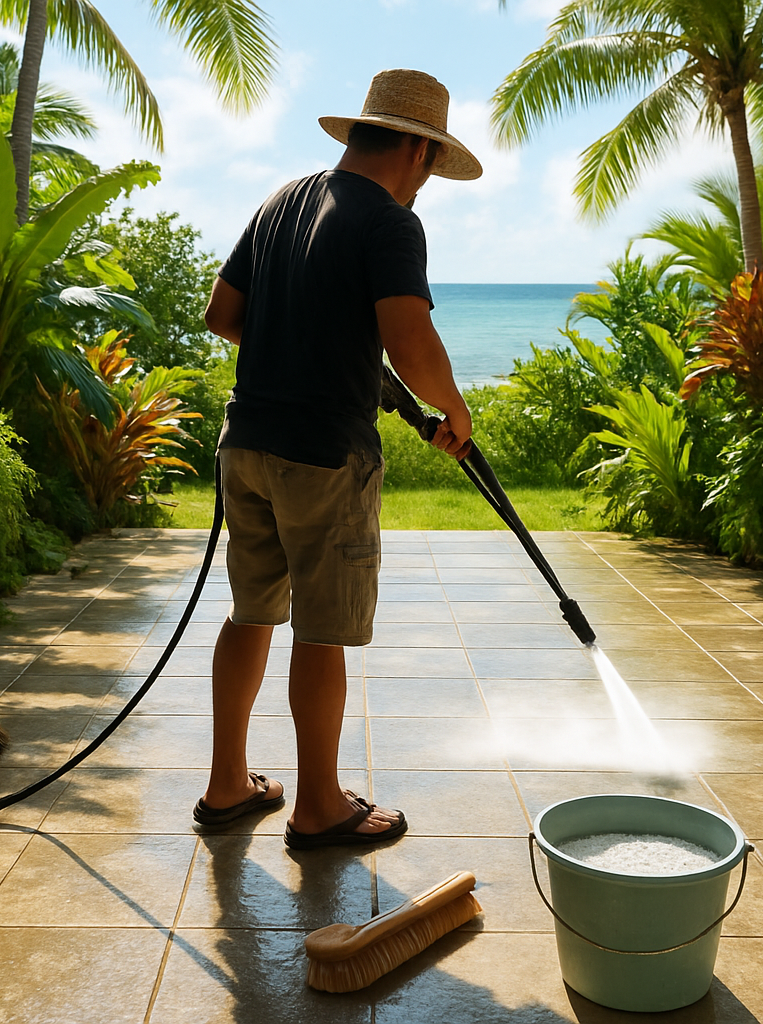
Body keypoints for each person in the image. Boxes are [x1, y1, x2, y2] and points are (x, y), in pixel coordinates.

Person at [192, 69, 481, 849]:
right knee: (321, 628)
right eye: (431, 167)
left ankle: (226, 786)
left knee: (251, 611)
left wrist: (306, 352)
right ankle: (318, 805)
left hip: (246, 444)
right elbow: (409, 340)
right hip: (323, 457)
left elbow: (223, 314)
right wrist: (455, 411)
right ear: (418, 149)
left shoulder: (281, 201)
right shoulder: (390, 222)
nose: (424, 185)